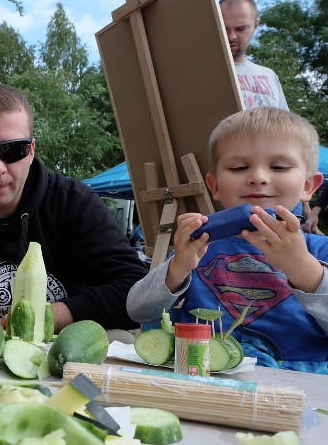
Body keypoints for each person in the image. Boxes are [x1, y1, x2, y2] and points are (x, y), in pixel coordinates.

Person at [0, 84, 148, 332]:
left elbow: (136, 291)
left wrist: (49, 317)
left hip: (65, 359)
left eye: (13, 150)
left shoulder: (73, 204)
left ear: (31, 151)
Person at [126, 107, 328, 373]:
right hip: (205, 376)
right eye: (239, 167)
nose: (258, 177)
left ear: (308, 186)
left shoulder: (319, 251)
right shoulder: (201, 247)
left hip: (299, 384)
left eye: (278, 166)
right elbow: (137, 310)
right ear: (215, 186)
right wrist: (178, 268)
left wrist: (304, 269)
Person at [220, 0, 288, 111]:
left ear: (255, 25)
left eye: (240, 28)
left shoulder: (269, 76)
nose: (231, 37)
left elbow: (285, 126)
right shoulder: (200, 73)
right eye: (224, 28)